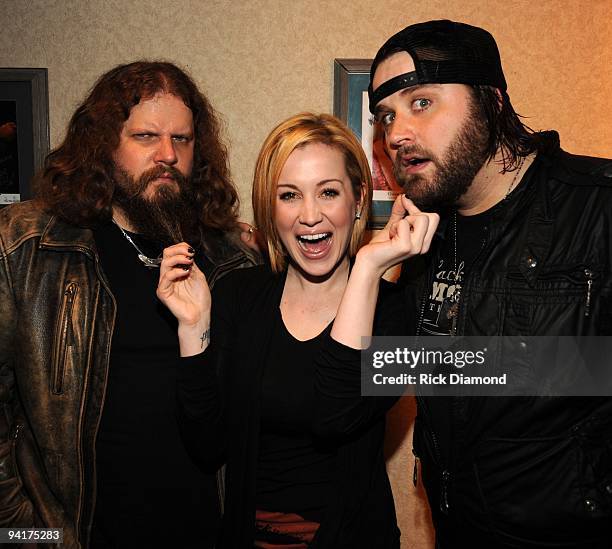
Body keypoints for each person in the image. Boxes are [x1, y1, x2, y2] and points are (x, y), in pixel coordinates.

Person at [367, 19, 612, 548]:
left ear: (491, 101)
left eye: (421, 103)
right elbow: (376, 378)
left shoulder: (598, 205)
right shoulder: (426, 234)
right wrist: (376, 272)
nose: (397, 133)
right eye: (385, 116)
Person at [0, 61, 257, 548]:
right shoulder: (28, 247)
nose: (167, 155)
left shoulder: (231, 259)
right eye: (146, 137)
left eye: (182, 140)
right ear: (103, 145)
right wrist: (25, 535)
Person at [157, 112, 437, 548]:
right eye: (289, 195)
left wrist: (366, 269)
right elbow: (206, 445)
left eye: (328, 192)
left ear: (358, 199)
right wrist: (193, 327)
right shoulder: (239, 295)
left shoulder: (396, 314)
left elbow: (335, 416)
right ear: (271, 207)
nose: (310, 216)